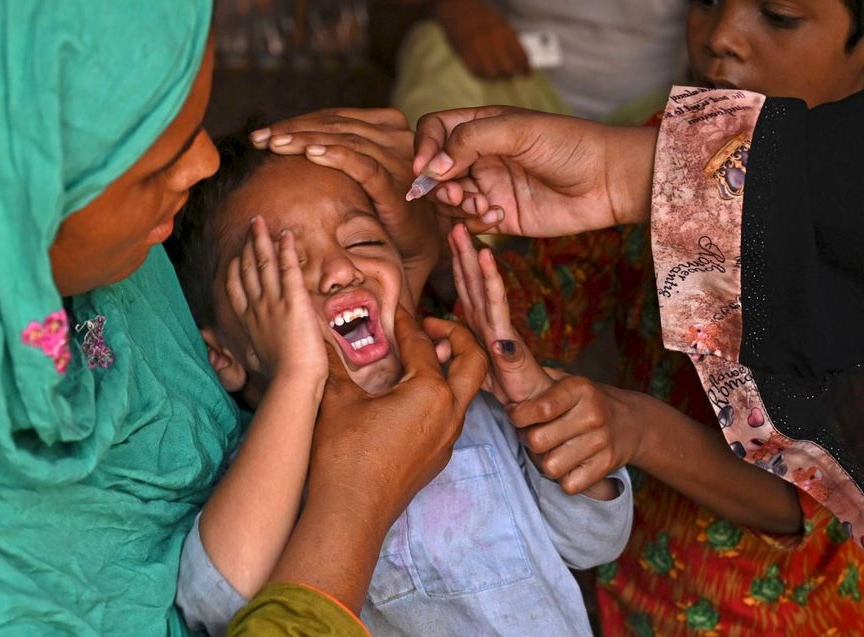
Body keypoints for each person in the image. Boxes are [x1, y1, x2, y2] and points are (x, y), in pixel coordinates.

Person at [0, 4, 486, 634]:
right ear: (7, 210)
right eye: (151, 167)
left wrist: (400, 258)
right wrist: (357, 500)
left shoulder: (121, 259)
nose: (203, 165)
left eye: (192, 124)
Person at [400, 39, 864, 637]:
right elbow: (550, 297)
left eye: (780, 17)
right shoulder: (662, 148)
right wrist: (440, 251)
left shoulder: (843, 240)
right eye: (705, 0)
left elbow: (806, 491)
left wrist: (634, 427)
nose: (720, 32)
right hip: (633, 582)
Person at [170, 131, 632, 635]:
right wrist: (297, 380)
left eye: (363, 241)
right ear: (223, 356)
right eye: (284, 267)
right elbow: (213, 604)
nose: (341, 270)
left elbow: (596, 539)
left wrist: (537, 403)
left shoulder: (478, 412)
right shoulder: (266, 469)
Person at [391, 0, 688, 128]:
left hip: (649, 106)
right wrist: (456, 7)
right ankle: (448, 236)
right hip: (517, 77)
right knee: (433, 44)